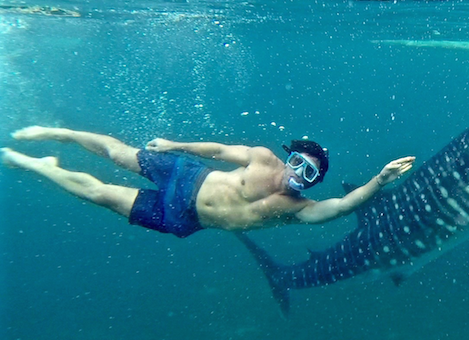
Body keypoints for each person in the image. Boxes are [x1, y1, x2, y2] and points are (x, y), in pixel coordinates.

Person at [1, 126, 415, 237]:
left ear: (313, 183)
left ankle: (39, 165)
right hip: (186, 174)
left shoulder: (298, 212)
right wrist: (176, 143)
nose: (295, 174)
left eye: (308, 174)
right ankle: (63, 136)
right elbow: (218, 151)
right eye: (296, 162)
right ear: (287, 156)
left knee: (98, 194)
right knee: (118, 153)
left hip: (181, 218)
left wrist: (379, 179)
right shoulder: (261, 159)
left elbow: (343, 206)